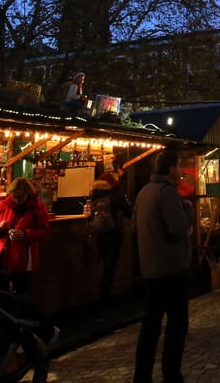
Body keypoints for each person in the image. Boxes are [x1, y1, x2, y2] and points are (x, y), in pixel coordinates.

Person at [133, 150, 194, 383]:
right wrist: (187, 209)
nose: (181, 171)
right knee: (176, 326)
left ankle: (142, 375)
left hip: (151, 270)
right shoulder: (167, 193)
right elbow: (177, 227)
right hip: (171, 269)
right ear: (170, 169)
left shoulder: (144, 193)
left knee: (150, 326)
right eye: (179, 166)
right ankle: (171, 373)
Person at [0, 177, 51, 294]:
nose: (16, 200)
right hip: (1, 258)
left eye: (19, 197)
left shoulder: (38, 208)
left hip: (24, 260)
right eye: (13, 196)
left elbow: (44, 232)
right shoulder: (3, 205)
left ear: (28, 193)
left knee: (21, 293)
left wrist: (25, 235)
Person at [89, 175, 132, 309]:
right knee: (109, 268)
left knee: (102, 267)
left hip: (100, 235)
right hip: (114, 235)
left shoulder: (94, 194)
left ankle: (99, 297)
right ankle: (104, 299)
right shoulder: (115, 194)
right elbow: (128, 213)